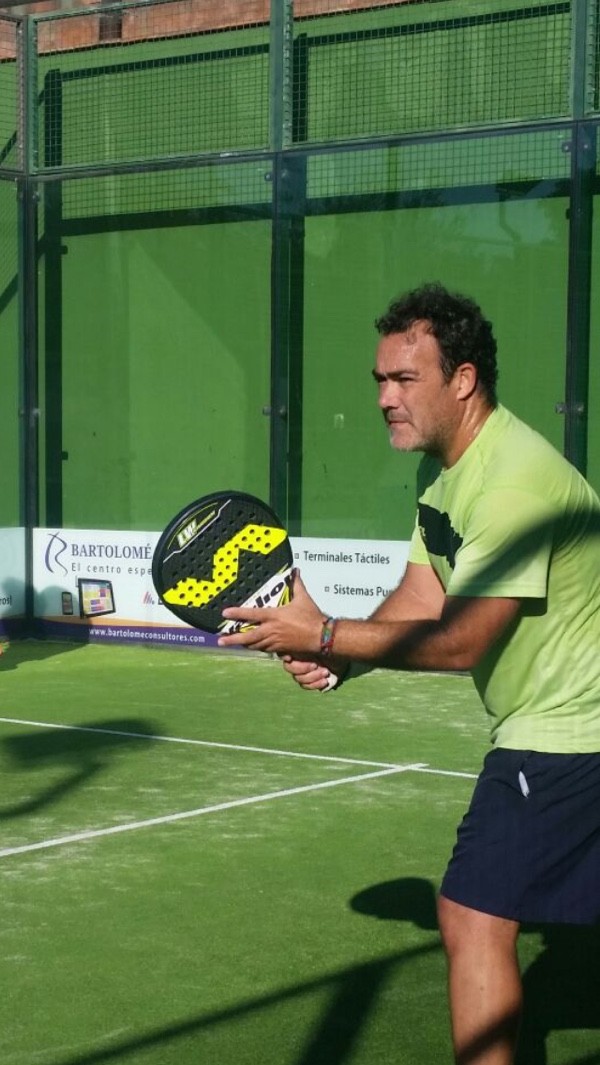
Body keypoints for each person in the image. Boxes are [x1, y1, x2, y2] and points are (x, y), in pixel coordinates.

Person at [218, 282, 600, 1065]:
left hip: (569, 731)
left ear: (463, 380)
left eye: (404, 378)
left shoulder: (514, 483)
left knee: (470, 913)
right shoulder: (446, 475)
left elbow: (459, 641)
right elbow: (422, 596)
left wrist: (323, 630)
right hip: (564, 726)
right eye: (380, 380)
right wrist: (339, 657)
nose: (385, 398)